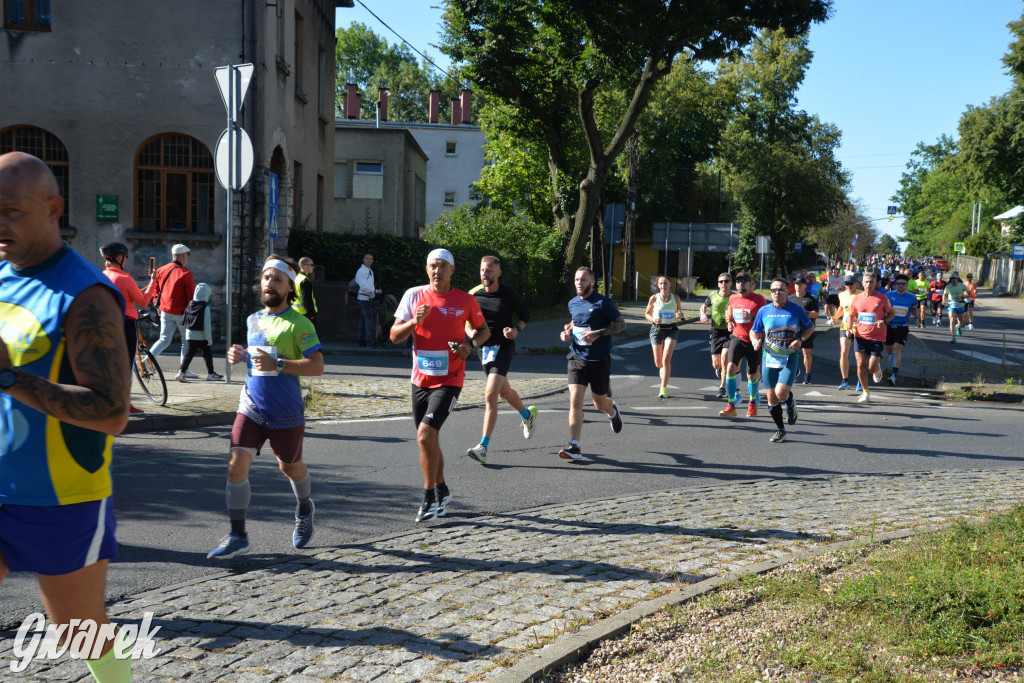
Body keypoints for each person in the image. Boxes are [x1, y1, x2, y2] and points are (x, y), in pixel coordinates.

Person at [0, 152, 131, 681]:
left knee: (78, 629)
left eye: (11, 210)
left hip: (60, 494)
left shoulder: (86, 295)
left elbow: (112, 411)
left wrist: (12, 377)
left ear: (54, 208)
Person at [207, 256, 324, 559]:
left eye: (277, 279)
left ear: (289, 287)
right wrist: (240, 354)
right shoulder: (253, 320)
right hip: (252, 407)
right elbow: (258, 360)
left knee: (290, 467)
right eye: (266, 277)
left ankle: (304, 507)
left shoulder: (300, 323)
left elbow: (317, 366)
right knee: (235, 467)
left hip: (286, 412)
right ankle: (237, 535)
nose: (269, 283)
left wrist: (281, 363)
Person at [391, 249, 489, 521]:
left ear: (452, 271)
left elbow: (484, 331)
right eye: (433, 266)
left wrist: (469, 345)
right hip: (420, 380)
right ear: (427, 270)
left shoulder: (466, 300)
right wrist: (414, 321)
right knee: (429, 440)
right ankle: (443, 490)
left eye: (443, 266)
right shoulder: (413, 296)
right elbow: (394, 336)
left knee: (424, 435)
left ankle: (429, 498)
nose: (437, 271)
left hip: (450, 379)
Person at [465, 256, 536, 465]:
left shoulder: (509, 295)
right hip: (484, 349)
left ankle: (483, 447)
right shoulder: (473, 295)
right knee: (504, 392)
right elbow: (465, 322)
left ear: (498, 273)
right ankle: (527, 415)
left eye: (488, 271)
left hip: (504, 347)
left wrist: (515, 330)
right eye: (482, 270)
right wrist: (472, 337)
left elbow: (525, 316)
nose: (484, 275)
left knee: (490, 394)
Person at [557, 266, 625, 460]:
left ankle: (613, 412)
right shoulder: (572, 303)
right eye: (577, 279)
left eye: (583, 280)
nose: (579, 282)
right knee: (575, 401)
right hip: (577, 357)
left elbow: (621, 325)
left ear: (592, 282)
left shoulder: (603, 302)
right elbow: (575, 321)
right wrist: (567, 333)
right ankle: (575, 446)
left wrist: (598, 333)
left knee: (599, 403)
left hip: (599, 360)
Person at [751, 278, 814, 443]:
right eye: (773, 290)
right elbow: (754, 330)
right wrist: (755, 341)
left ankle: (790, 403)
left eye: (780, 290)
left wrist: (801, 340)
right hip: (769, 357)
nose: (776, 293)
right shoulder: (764, 311)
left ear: (788, 291)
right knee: (771, 398)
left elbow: (810, 327)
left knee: (781, 393)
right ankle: (780, 430)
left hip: (789, 356)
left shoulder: (797, 310)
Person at [100, 240, 151, 416]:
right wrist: (153, 284)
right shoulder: (124, 278)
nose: (126, 260)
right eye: (125, 257)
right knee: (126, 365)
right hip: (126, 323)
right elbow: (143, 301)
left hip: (106, 323)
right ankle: (125, 403)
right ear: (119, 258)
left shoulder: (102, 275)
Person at [719, 271, 767, 418]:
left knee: (752, 375)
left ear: (750, 284)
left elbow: (766, 319)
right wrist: (730, 321)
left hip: (754, 340)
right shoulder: (733, 298)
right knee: (730, 367)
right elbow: (730, 311)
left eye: (743, 281)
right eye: (738, 280)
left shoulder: (759, 299)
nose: (740, 283)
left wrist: (752, 317)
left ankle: (752, 403)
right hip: (737, 338)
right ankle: (731, 404)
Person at [145, 242, 197, 375]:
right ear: (183, 256)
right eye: (186, 255)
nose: (187, 258)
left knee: (164, 339)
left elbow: (155, 289)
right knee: (186, 341)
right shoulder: (186, 274)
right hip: (181, 313)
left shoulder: (161, 270)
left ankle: (146, 360)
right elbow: (191, 296)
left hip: (164, 310)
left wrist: (156, 302)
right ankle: (184, 370)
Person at [847, 269, 894, 403]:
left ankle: (877, 369)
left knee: (871, 367)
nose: (868, 284)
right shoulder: (856, 298)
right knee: (860, 364)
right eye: (866, 282)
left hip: (877, 337)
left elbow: (892, 314)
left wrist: (884, 321)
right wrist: (850, 328)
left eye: (871, 282)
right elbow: (851, 315)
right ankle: (866, 392)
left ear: (876, 283)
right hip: (860, 336)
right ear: (862, 283)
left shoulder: (883, 298)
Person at [645, 274, 683, 398]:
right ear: (658, 285)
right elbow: (646, 314)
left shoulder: (676, 298)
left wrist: (679, 314)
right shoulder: (654, 298)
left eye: (665, 283)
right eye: (661, 283)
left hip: (671, 330)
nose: (663, 286)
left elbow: (679, 311)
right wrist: (653, 319)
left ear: (670, 284)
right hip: (657, 330)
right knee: (658, 363)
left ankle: (663, 388)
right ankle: (662, 370)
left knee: (666, 358)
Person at [176, 282, 223, 382]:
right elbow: (207, 325)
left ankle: (181, 372)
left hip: (190, 336)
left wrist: (187, 335)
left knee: (188, 355)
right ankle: (211, 374)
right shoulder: (205, 307)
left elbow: (185, 320)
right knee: (207, 355)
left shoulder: (190, 304)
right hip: (202, 337)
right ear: (205, 295)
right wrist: (209, 339)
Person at [700, 272, 732, 398]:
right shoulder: (713, 295)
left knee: (725, 359)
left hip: (729, 332)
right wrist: (703, 315)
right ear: (718, 284)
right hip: (715, 331)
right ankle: (719, 370)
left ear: (731, 283)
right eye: (721, 281)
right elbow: (704, 307)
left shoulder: (734, 297)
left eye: (726, 281)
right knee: (716, 364)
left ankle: (722, 387)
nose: (724, 283)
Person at [884, 274, 917, 385]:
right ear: (895, 284)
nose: (901, 286)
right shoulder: (888, 295)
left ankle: (893, 376)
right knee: (889, 348)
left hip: (902, 326)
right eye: (898, 283)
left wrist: (917, 319)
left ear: (907, 285)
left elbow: (914, 308)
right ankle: (890, 355)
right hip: (889, 325)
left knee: (897, 349)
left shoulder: (912, 297)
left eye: (903, 284)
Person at [787, 276, 820, 384]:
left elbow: (816, 314)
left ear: (805, 285)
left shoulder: (810, 299)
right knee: (790, 352)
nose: (798, 286)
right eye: (796, 284)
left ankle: (808, 374)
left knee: (806, 353)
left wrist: (804, 313)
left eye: (800, 284)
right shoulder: (790, 298)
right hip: (792, 330)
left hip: (806, 330)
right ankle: (794, 370)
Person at [834, 275, 858, 390]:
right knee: (844, 352)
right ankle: (845, 380)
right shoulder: (841, 295)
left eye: (850, 284)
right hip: (845, 326)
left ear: (856, 283)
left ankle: (860, 380)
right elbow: (842, 308)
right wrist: (835, 317)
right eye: (846, 284)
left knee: (859, 355)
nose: (848, 286)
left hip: (859, 327)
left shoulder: (861, 294)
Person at [355, 253, 382, 347]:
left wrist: (373, 293)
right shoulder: (362, 271)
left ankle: (361, 341)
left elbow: (369, 285)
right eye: (367, 258)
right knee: (368, 321)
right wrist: (375, 291)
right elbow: (363, 286)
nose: (369, 260)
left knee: (364, 321)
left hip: (367, 298)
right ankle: (369, 343)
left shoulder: (369, 270)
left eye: (371, 259)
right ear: (363, 260)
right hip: (363, 299)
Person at [942, 272, 969, 344]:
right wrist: (943, 300)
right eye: (952, 279)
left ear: (957, 279)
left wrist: (962, 297)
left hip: (960, 304)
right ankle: (953, 337)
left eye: (955, 278)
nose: (953, 280)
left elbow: (970, 294)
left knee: (960, 321)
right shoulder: (948, 287)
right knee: (952, 320)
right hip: (951, 305)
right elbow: (944, 294)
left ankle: (958, 327)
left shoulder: (962, 286)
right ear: (950, 280)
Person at [293, 257, 318, 327]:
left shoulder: (297, 278)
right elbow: (307, 300)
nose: (313, 267)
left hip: (296, 313)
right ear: (306, 266)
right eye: (312, 265)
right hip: (306, 315)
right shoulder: (305, 281)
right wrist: (311, 314)